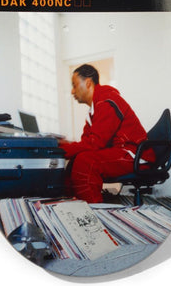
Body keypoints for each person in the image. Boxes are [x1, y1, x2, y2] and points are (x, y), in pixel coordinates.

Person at [60, 64, 153, 204]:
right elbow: (86, 144)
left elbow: (95, 143)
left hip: (135, 155)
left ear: (88, 83)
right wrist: (63, 149)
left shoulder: (107, 101)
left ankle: (94, 211)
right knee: (75, 160)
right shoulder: (93, 110)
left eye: (74, 85)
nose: (72, 91)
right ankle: (73, 206)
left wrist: (60, 150)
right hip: (122, 152)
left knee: (86, 162)